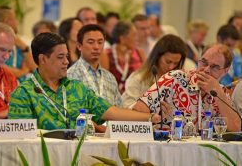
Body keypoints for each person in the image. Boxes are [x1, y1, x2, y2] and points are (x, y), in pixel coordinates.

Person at [8, 32, 160, 130]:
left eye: (67, 56)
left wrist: (149, 118)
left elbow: (111, 112)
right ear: (42, 59)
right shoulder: (24, 94)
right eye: (60, 57)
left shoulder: (76, 88)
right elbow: (21, 140)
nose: (66, 62)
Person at [132, 44, 241, 132]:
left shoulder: (222, 93)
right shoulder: (174, 79)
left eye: (214, 67)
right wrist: (154, 117)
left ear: (225, 71)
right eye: (204, 63)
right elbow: (138, 110)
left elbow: (236, 128)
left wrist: (218, 93)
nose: (206, 70)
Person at [122, 34, 187, 108]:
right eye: (168, 61)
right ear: (157, 57)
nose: (171, 67)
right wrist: (150, 109)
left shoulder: (180, 80)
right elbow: (126, 107)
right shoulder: (138, 79)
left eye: (176, 63)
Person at [68, 24, 122, 106]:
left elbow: (119, 108)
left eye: (100, 42)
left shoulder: (110, 77)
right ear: (79, 46)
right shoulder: (71, 75)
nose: (96, 47)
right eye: (91, 42)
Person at [0, 5, 36, 82]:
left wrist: (25, 48)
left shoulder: (20, 43)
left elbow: (34, 68)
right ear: (6, 21)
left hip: (22, 89)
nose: (17, 22)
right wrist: (22, 72)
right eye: (15, 19)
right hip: (1, 87)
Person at [101, 21, 145, 94]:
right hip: (114, 98)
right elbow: (104, 82)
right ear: (122, 38)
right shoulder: (106, 54)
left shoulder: (139, 52)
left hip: (137, 97)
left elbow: (147, 77)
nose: (137, 38)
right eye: (134, 35)